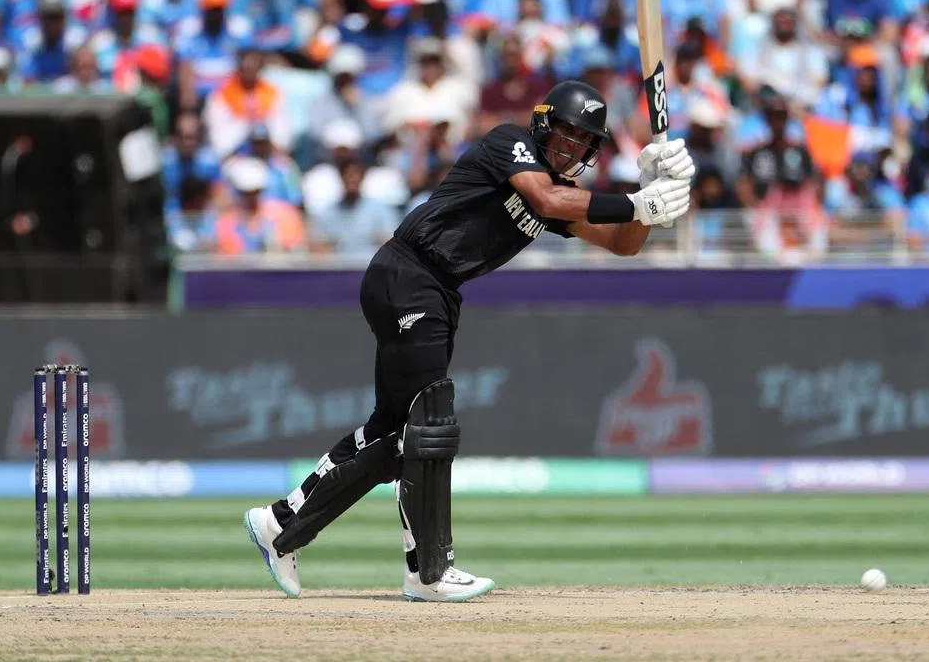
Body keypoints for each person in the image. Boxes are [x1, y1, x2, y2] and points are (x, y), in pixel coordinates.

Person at [243, 80, 695, 602]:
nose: (569, 145)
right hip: (410, 273)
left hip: (433, 289)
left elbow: (622, 244)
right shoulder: (509, 143)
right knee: (430, 418)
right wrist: (638, 202)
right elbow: (547, 196)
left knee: (393, 435)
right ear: (544, 123)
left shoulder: (561, 192)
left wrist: (647, 194)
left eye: (582, 140)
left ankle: (280, 525)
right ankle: (429, 571)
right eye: (565, 132)